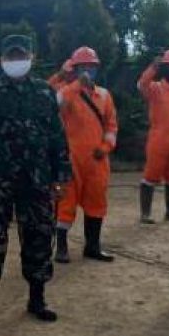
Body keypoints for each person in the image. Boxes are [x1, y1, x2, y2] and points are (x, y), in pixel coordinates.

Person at [0, 35, 70, 322]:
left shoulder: (44, 92)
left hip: (36, 180)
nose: (16, 60)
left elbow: (57, 137)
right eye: (11, 56)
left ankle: (37, 298)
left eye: (20, 55)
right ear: (3, 59)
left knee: (39, 235)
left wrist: (60, 176)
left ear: (31, 57)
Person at [55, 46, 118, 263]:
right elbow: (56, 104)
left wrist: (106, 147)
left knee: (97, 202)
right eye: (84, 67)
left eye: (92, 67)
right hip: (71, 159)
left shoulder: (104, 95)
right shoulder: (68, 92)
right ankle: (61, 248)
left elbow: (112, 126)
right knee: (66, 202)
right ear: (75, 69)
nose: (88, 71)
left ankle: (93, 246)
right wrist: (75, 85)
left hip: (97, 160)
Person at [137, 48, 169, 224]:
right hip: (159, 138)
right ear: (165, 69)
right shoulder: (156, 88)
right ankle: (145, 213)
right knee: (151, 174)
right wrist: (153, 67)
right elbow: (141, 85)